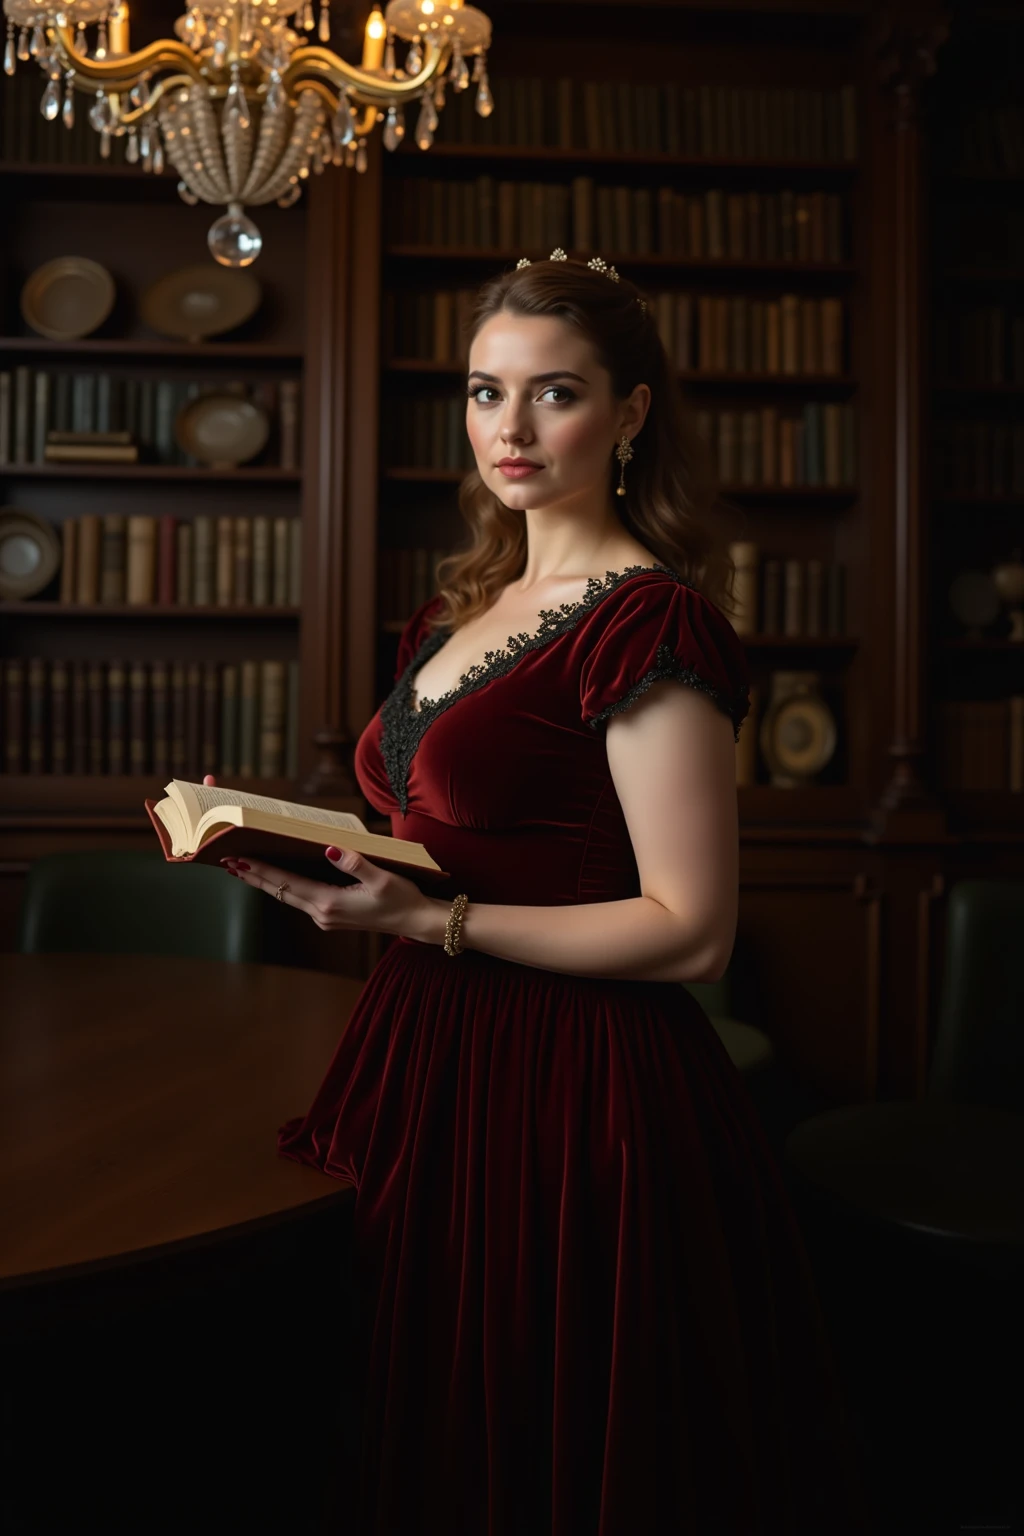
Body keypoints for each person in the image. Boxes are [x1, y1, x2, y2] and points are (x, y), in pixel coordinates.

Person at [213, 251, 870, 1534]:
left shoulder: (648, 624)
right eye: (483, 391)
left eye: (553, 394)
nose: (507, 430)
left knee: (538, 1428)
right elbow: (461, 828)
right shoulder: (462, 610)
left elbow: (691, 929)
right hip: (424, 1052)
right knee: (416, 1407)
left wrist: (426, 920)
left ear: (628, 414)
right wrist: (324, 852)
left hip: (575, 1091)